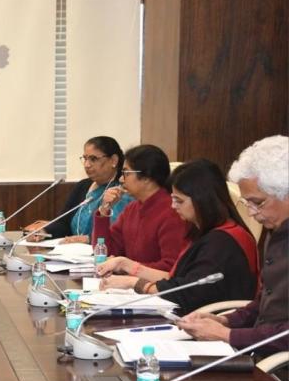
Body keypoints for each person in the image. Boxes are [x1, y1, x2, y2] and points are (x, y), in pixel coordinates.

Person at [98, 159, 259, 314]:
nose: (173, 206)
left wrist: (135, 283)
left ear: (201, 200)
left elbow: (189, 292)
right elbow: (175, 278)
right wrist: (125, 264)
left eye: (179, 201)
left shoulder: (222, 242)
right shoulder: (203, 232)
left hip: (209, 321)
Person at [178, 135, 288, 355]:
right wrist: (225, 321)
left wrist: (227, 335)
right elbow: (266, 302)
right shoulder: (276, 231)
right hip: (261, 352)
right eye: (247, 203)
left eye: (258, 203)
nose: (251, 213)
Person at [91, 144, 189, 272]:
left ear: (146, 177)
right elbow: (104, 252)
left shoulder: (173, 211)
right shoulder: (132, 209)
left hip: (156, 284)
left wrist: (127, 267)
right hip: (128, 282)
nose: (121, 179)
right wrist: (104, 211)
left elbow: (170, 267)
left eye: (126, 173)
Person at [28, 136, 134, 243]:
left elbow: (119, 233)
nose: (87, 165)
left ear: (113, 160)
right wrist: (43, 232)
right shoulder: (83, 186)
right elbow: (63, 223)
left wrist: (88, 239)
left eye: (93, 159)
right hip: (75, 251)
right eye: (85, 158)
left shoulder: (123, 190)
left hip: (103, 250)